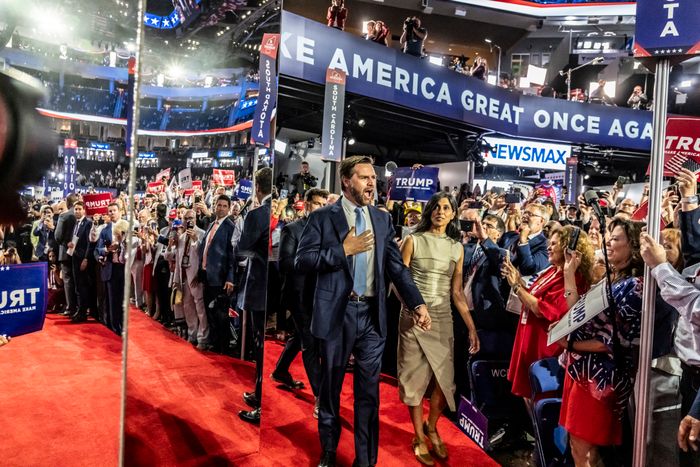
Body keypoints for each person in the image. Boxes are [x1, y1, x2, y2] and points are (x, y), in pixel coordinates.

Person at [295, 156, 431, 467]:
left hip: (372, 316)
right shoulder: (323, 218)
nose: (372, 183)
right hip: (336, 315)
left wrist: (417, 303)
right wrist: (342, 251)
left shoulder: (382, 220)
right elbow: (301, 261)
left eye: (373, 178)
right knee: (330, 389)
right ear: (346, 181)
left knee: (368, 394)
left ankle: (365, 460)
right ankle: (328, 451)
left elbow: (397, 269)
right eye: (364, 177)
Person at [397, 192, 480, 465]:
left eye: (446, 208)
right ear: (429, 211)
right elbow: (398, 282)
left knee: (444, 382)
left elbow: (457, 292)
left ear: (453, 214)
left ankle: (433, 428)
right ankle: (419, 435)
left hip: (443, 317)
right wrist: (414, 308)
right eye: (436, 207)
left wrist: (471, 327)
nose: (440, 211)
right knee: (414, 379)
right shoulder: (413, 240)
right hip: (413, 318)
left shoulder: (456, 247)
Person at [558, 219, 644, 465]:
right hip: (582, 374)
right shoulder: (610, 280)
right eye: (609, 237)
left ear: (633, 247)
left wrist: (570, 345)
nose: (608, 241)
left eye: (616, 238)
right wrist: (568, 273)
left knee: (585, 452)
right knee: (577, 447)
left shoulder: (634, 288)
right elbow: (576, 314)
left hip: (600, 381)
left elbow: (610, 343)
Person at [501, 225, 592, 398]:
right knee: (526, 391)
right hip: (528, 336)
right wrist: (517, 280)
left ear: (568, 249)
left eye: (554, 244)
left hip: (544, 344)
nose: (548, 248)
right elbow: (532, 295)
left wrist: (516, 286)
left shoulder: (573, 279)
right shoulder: (551, 270)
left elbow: (541, 309)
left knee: (538, 394)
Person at [270, 188, 329, 418]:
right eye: (316, 203)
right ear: (306, 204)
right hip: (298, 296)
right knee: (310, 343)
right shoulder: (292, 230)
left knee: (301, 336)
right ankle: (320, 397)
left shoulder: (328, 230)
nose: (321, 208)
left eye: (324, 204)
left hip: (320, 295)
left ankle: (280, 370)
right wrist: (316, 262)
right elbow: (285, 264)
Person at [237, 168, 273, 425]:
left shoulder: (259, 214)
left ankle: (263, 404)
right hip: (275, 287)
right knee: (263, 346)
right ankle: (259, 393)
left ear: (257, 189)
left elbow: (242, 248)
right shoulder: (282, 210)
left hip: (261, 285)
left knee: (261, 347)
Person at [198, 195, 236, 353]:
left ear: (228, 208)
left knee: (221, 314)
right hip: (207, 275)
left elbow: (232, 254)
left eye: (224, 206)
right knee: (210, 311)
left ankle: (223, 347)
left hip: (221, 277)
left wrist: (230, 278)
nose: (220, 208)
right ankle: (214, 343)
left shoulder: (230, 226)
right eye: (218, 205)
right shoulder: (212, 224)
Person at [165, 209, 208, 349]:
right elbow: (172, 257)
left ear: (196, 219)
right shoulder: (181, 237)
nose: (189, 221)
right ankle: (192, 334)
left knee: (200, 307)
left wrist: (195, 239)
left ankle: (203, 338)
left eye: (191, 218)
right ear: (182, 220)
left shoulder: (202, 234)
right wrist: (171, 244)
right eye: (186, 218)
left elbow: (203, 256)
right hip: (183, 276)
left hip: (196, 276)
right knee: (187, 306)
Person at [96, 203, 126, 335]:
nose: (112, 213)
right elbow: (98, 249)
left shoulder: (127, 227)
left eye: (114, 210)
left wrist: (122, 243)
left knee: (123, 300)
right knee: (112, 299)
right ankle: (114, 328)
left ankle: (123, 326)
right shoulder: (104, 230)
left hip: (125, 266)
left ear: (120, 212)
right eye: (110, 211)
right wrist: (107, 250)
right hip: (110, 267)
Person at [68, 201, 94, 322]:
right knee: (78, 286)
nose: (77, 211)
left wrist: (86, 259)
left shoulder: (88, 223)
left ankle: (83, 313)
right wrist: (70, 244)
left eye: (79, 209)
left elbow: (89, 243)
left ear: (84, 210)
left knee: (83, 286)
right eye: (75, 209)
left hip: (83, 259)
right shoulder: (76, 223)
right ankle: (80, 310)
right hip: (74, 256)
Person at [54, 193, 79, 317]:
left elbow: (57, 237)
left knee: (68, 280)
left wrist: (64, 243)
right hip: (79, 253)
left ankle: (70, 308)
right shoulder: (82, 216)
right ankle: (80, 307)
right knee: (78, 280)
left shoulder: (64, 216)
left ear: (67, 203)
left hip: (65, 253)